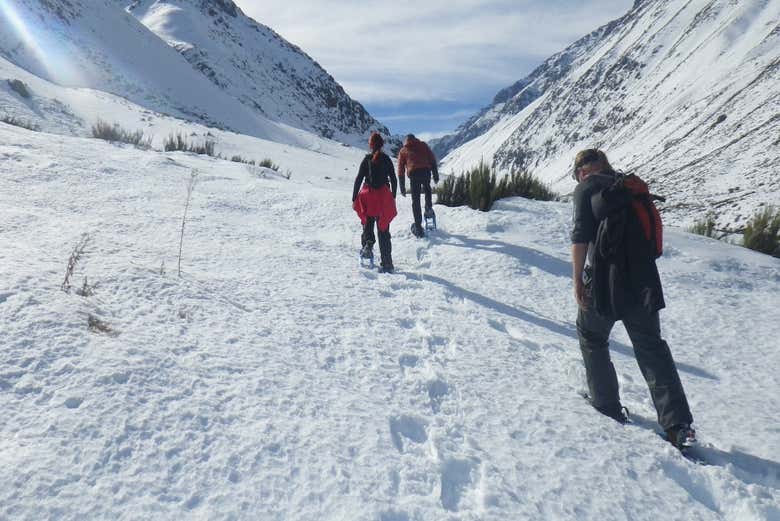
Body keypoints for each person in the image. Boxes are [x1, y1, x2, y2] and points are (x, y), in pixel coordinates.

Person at [570, 148, 695, 449]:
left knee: (591, 336)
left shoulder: (586, 188)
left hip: (603, 282)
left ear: (582, 171)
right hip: (642, 283)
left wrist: (577, 280)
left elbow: (580, 237)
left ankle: (605, 404)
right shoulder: (630, 187)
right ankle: (678, 426)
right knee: (652, 348)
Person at [352, 132, 398, 272]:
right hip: (383, 197)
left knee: (367, 222)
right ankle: (387, 263)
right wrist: (392, 197)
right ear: (382, 144)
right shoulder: (386, 159)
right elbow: (394, 180)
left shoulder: (367, 159)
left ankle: (368, 245)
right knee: (383, 229)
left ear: (371, 145)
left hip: (368, 196)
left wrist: (354, 197)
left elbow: (359, 179)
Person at [397, 134, 439, 237]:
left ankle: (418, 228)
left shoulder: (403, 150)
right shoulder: (423, 145)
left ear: (406, 141)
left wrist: (402, 186)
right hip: (425, 171)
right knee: (427, 189)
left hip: (414, 174)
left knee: (416, 201)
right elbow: (432, 158)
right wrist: (435, 174)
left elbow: (400, 169)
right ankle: (428, 208)